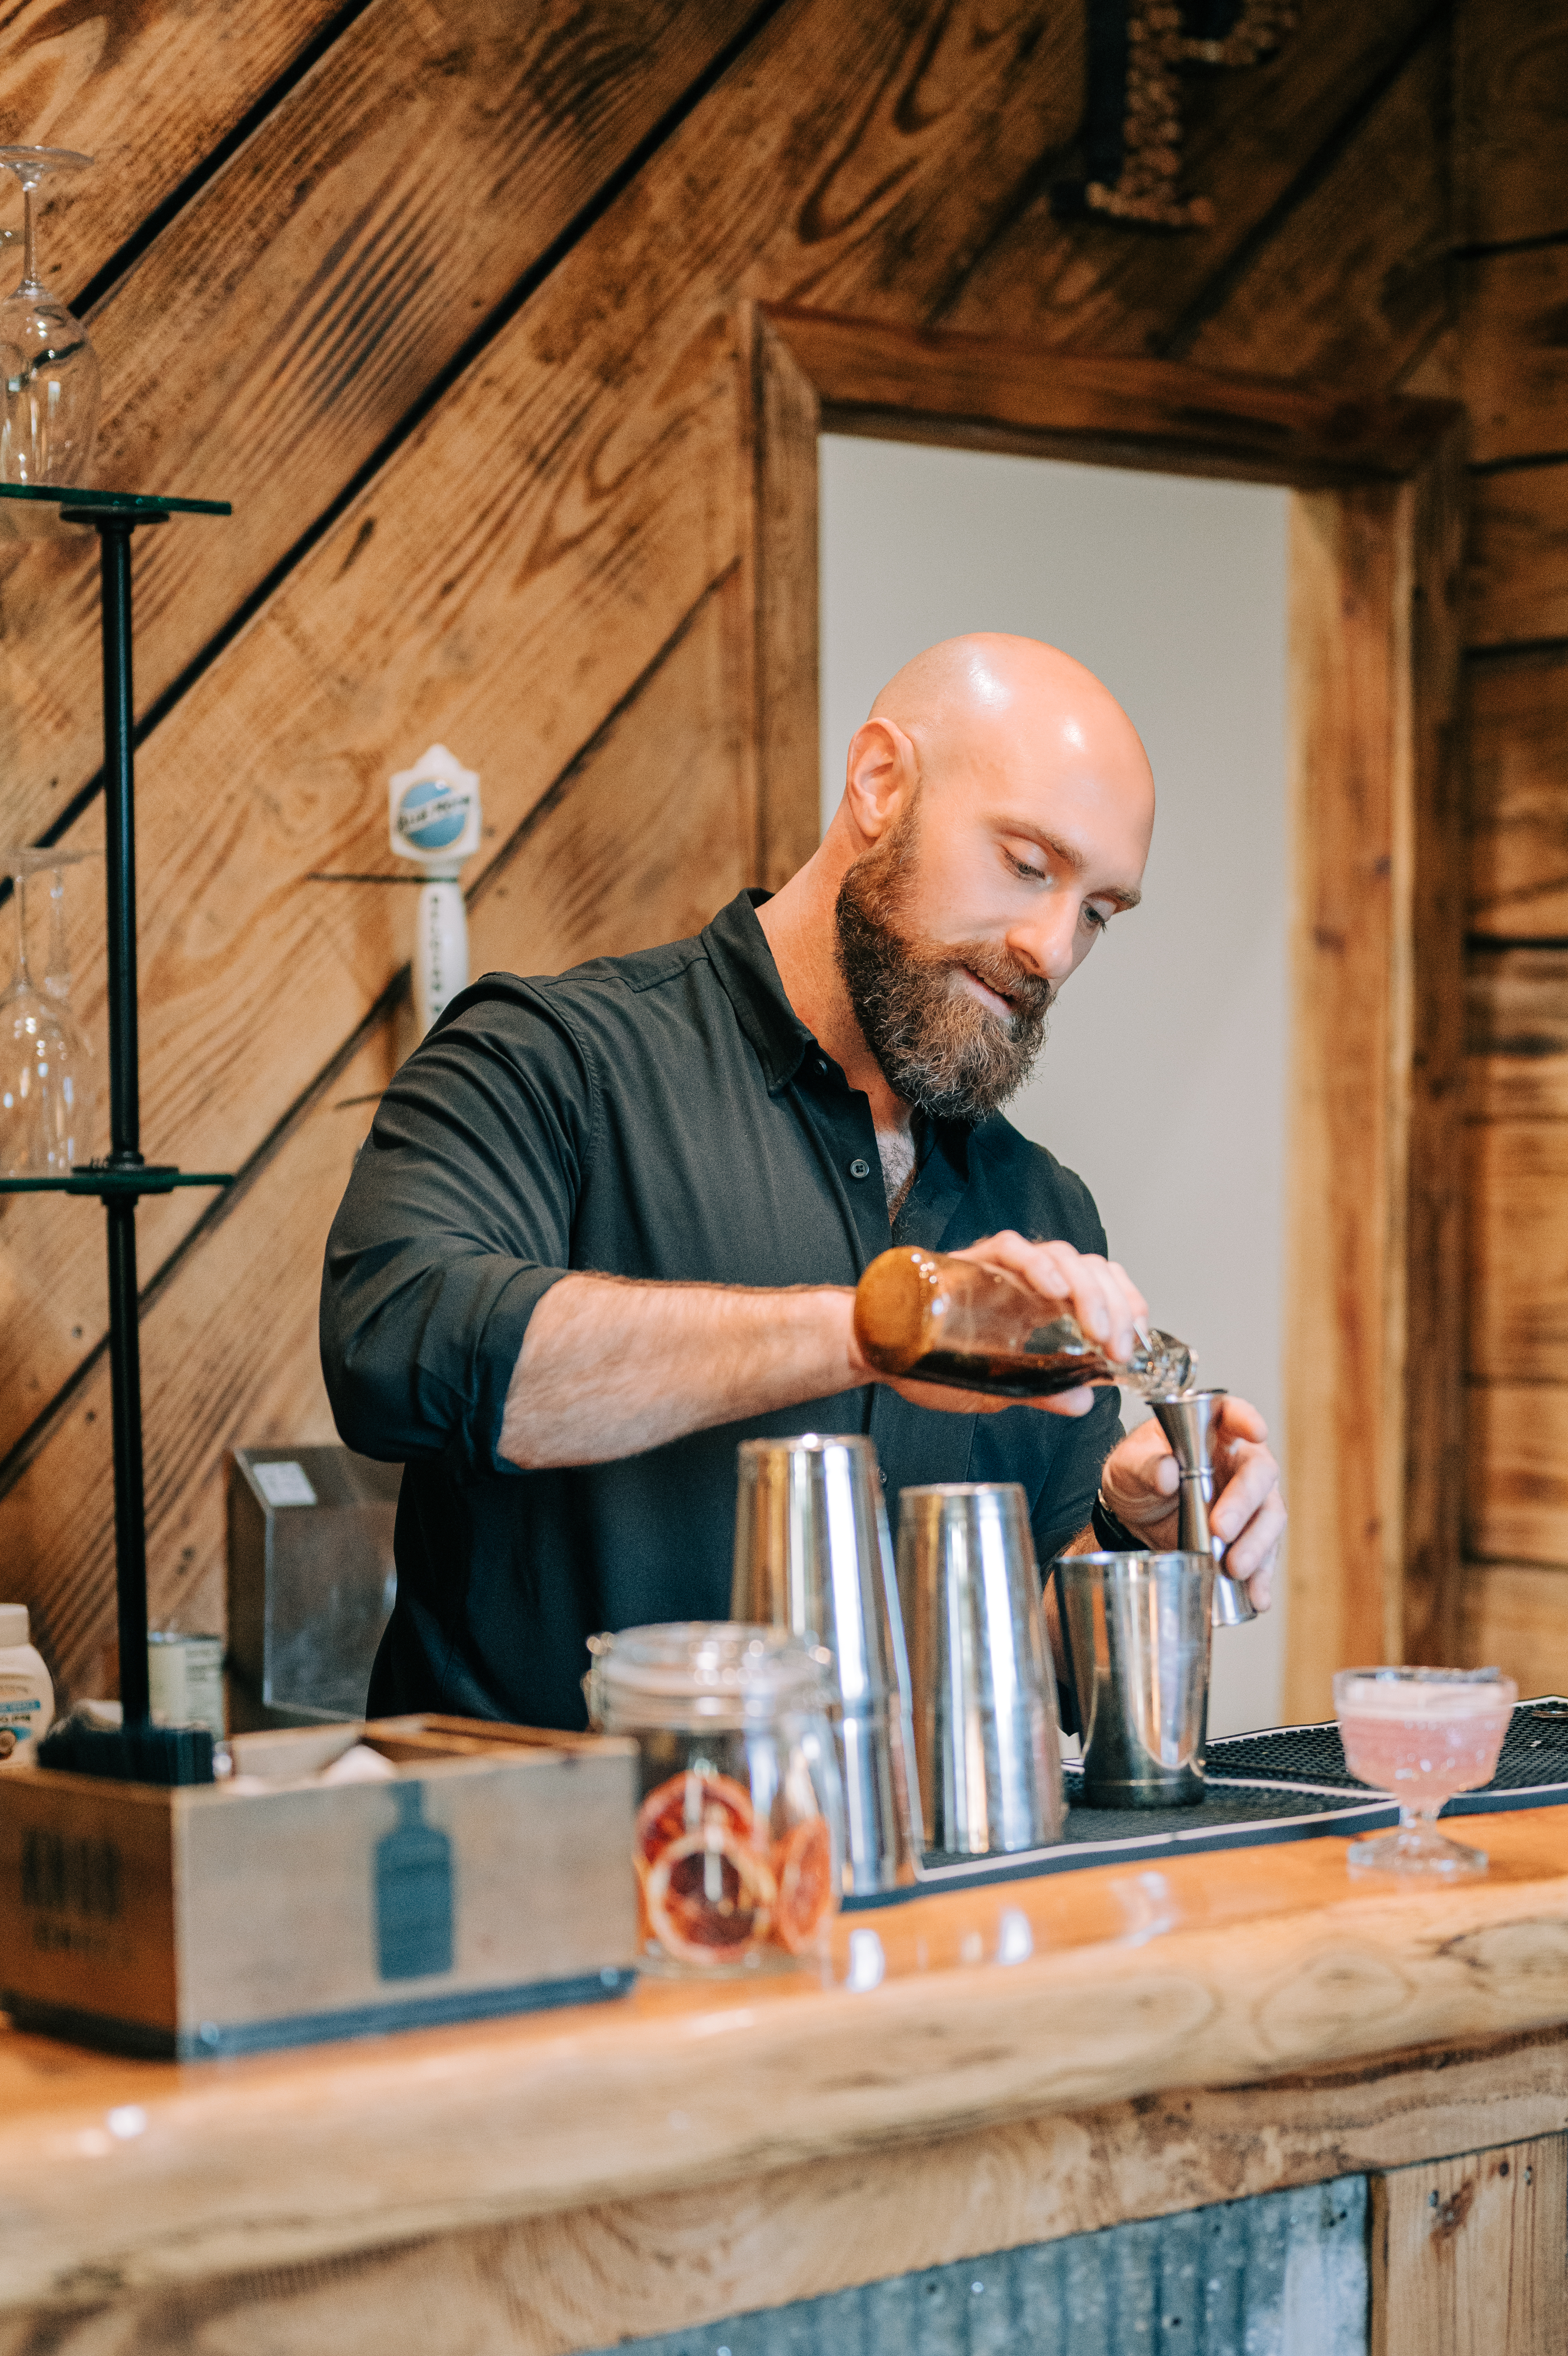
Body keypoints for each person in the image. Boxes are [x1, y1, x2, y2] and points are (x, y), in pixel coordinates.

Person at [321, 633, 1286, 1726]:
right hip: (554, 1880)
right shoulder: (555, 1061)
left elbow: (1039, 1668)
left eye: (1099, 912)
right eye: (1027, 864)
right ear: (881, 783)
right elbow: (394, 1349)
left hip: (902, 1888)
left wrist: (1131, 1526)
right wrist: (884, 1329)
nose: (1053, 949)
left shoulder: (1041, 1207)